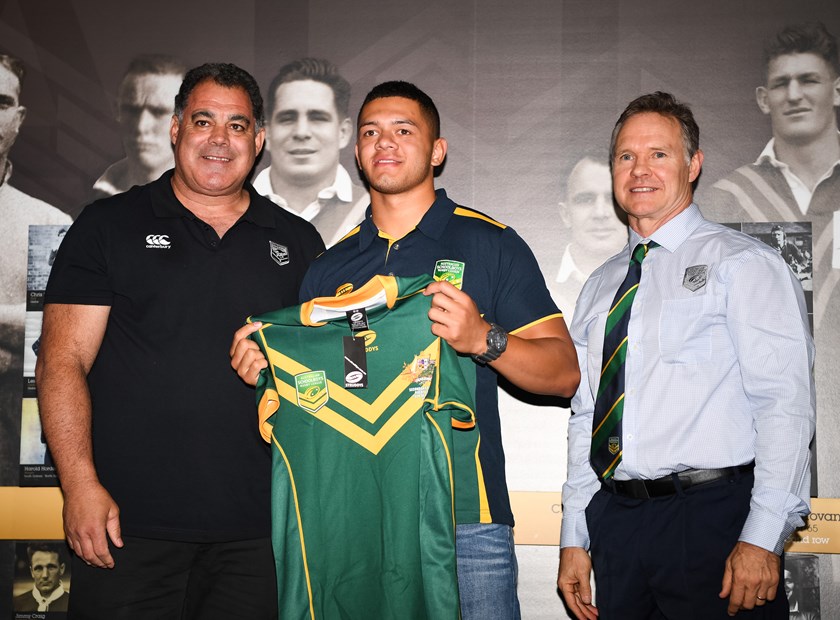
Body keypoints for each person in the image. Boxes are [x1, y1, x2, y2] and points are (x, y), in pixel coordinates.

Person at [232, 80, 580, 618]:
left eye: (403, 130)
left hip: (469, 518)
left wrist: (482, 339)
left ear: (437, 151)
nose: (384, 142)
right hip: (360, 518)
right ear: (357, 151)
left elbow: (564, 375)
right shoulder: (331, 268)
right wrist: (269, 366)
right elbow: (347, 380)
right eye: (371, 131)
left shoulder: (490, 242)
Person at [36, 62, 324, 619]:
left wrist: (285, 356)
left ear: (259, 140)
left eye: (237, 126)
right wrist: (79, 487)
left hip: (259, 537)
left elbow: (341, 366)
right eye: (203, 121)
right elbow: (60, 362)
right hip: (126, 528)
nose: (220, 140)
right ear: (176, 129)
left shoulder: (298, 241)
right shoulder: (108, 226)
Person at [557, 92, 815, 620]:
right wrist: (575, 536)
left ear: (693, 164)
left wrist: (763, 537)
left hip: (716, 524)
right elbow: (587, 417)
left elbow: (784, 407)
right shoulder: (600, 287)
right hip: (618, 526)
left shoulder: (744, 264)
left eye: (659, 154)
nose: (640, 170)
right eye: (626, 156)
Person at [0, 52, 71, 487]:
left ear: (19, 117)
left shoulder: (48, 224)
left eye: (1, 102)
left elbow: (61, 335)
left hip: (15, 428)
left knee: (14, 554)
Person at [253, 58, 368, 247]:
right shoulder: (230, 211)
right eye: (287, 118)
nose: (301, 132)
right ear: (268, 133)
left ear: (344, 132)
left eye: (318, 118)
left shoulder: (375, 212)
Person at [92, 54, 186, 199]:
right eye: (131, 110)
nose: (141, 127)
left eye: (159, 112)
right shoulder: (79, 214)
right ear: (116, 110)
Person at [549, 153, 627, 320]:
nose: (600, 213)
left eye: (613, 199)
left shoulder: (661, 282)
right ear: (565, 215)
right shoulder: (529, 282)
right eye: (585, 200)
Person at [13, 542, 70, 612]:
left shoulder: (73, 604)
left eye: (51, 567)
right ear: (31, 571)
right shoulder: (16, 604)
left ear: (62, 569)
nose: (45, 575)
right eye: (38, 568)